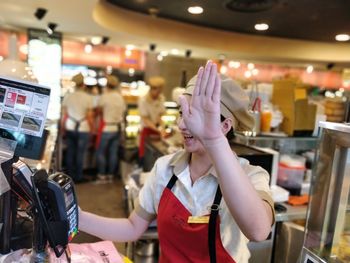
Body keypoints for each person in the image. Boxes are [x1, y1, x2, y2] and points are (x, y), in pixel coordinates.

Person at [79, 61, 275, 262]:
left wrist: (214, 140)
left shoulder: (251, 175)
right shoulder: (165, 168)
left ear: (225, 126)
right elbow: (132, 228)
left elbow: (258, 231)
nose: (182, 124)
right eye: (183, 114)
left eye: (195, 115)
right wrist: (78, 217)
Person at [60, 73, 94, 183]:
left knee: (70, 152)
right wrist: (92, 129)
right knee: (80, 153)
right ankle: (78, 177)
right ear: (83, 84)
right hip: (83, 127)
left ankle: (69, 176)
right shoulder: (88, 97)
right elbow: (89, 116)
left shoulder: (68, 96)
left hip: (70, 125)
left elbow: (64, 115)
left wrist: (62, 128)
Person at [95, 75, 126, 183]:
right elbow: (123, 112)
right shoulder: (120, 97)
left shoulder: (105, 96)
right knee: (113, 152)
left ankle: (102, 174)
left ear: (107, 85)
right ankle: (111, 175)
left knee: (101, 152)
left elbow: (98, 110)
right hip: (117, 128)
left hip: (106, 128)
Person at [137, 76, 166, 166]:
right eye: (157, 91)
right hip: (147, 131)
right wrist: (158, 129)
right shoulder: (143, 100)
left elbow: (159, 116)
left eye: (160, 91)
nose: (158, 94)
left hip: (156, 130)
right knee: (145, 156)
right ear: (152, 89)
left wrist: (162, 127)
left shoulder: (161, 98)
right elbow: (146, 120)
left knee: (155, 157)